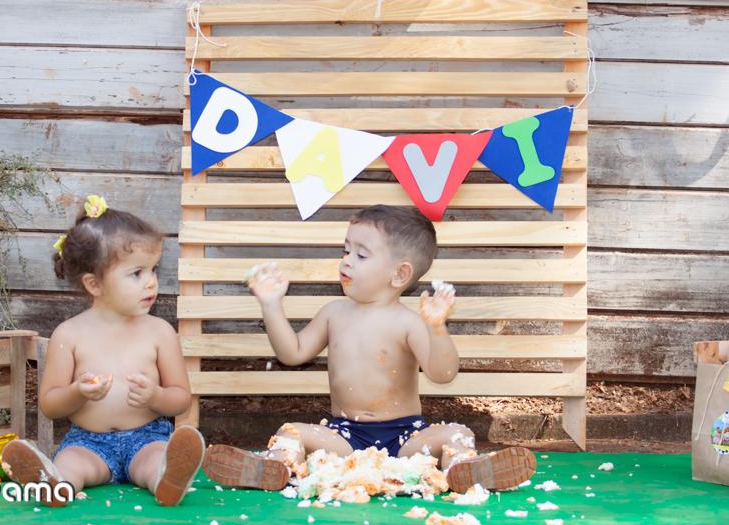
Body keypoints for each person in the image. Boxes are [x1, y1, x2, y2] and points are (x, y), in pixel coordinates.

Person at [201, 205, 535, 494]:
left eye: (360, 255)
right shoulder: (333, 313)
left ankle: (464, 470)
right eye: (346, 251)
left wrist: (437, 328)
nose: (346, 261)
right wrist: (271, 305)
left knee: (458, 433)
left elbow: (442, 374)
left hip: (406, 438)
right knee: (291, 432)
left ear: (399, 274)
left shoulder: (409, 322)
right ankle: (274, 468)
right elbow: (293, 353)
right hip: (344, 437)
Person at [1, 196, 204, 507]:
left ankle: (166, 481)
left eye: (153, 270)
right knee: (71, 462)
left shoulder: (160, 332)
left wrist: (155, 397)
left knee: (156, 460)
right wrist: (77, 392)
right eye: (137, 273)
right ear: (94, 284)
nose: (151, 282)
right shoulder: (68, 335)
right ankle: (55, 484)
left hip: (147, 437)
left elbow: (180, 399)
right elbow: (50, 405)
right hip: (87, 442)